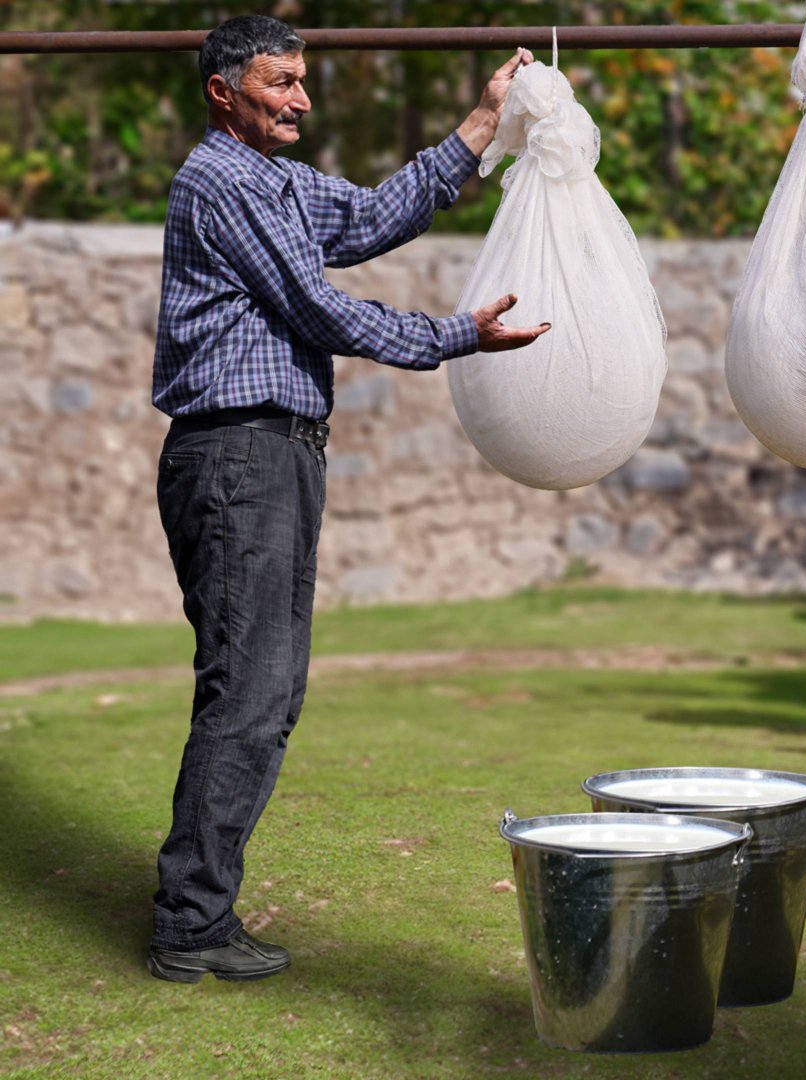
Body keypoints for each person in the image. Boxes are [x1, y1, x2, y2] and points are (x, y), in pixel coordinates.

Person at [146, 15, 549, 983]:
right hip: (237, 454)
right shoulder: (218, 182)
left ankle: (199, 911)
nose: (300, 100)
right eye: (280, 82)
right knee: (246, 692)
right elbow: (315, 304)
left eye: (302, 81)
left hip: (278, 455)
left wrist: (482, 124)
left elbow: (369, 220)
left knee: (268, 694)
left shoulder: (279, 182)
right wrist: (453, 337)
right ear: (223, 90)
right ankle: (189, 925)